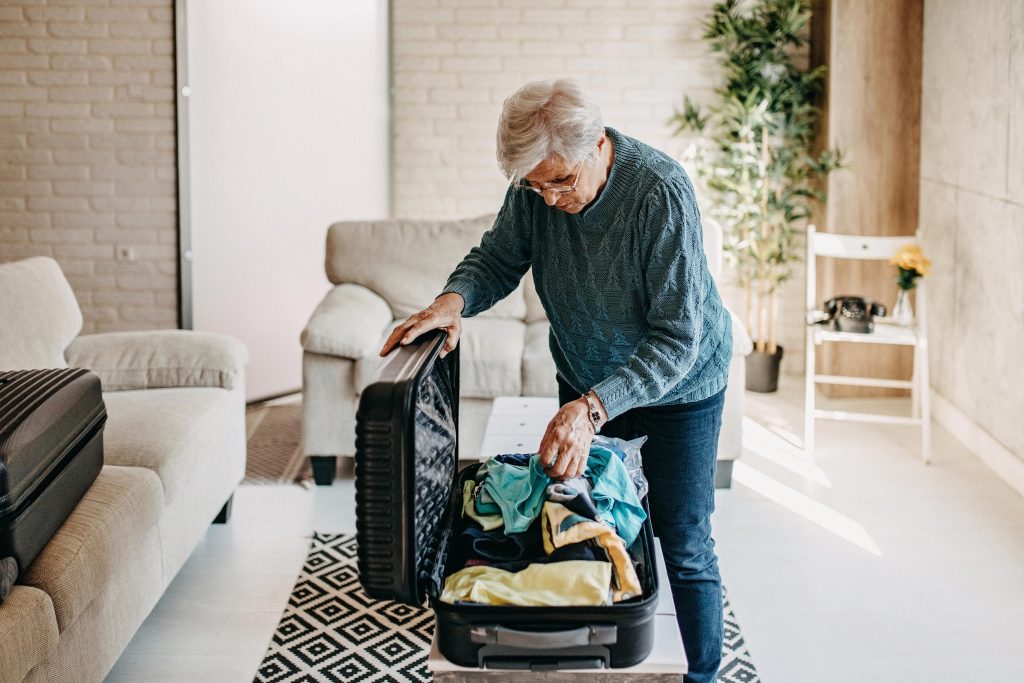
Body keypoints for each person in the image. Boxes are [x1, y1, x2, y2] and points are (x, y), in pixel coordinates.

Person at [379, 78, 733, 683]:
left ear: (598, 145)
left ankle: (703, 676)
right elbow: (498, 258)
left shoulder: (660, 193)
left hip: (679, 387)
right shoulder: (537, 188)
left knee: (684, 536)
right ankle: (586, 653)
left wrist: (594, 408)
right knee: (581, 514)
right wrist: (452, 300)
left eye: (560, 182)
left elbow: (679, 338)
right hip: (586, 374)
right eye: (534, 186)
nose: (548, 199)